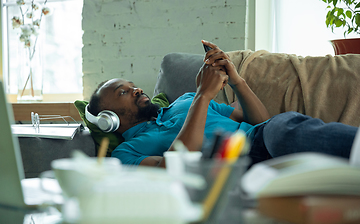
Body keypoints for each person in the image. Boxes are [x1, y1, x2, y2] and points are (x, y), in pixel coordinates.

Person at [86, 40, 358, 168]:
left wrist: (238, 82)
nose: (136, 89)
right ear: (109, 118)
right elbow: (177, 167)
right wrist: (203, 97)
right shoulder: (125, 154)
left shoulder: (185, 102)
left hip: (265, 139)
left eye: (132, 85)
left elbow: (260, 121)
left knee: (279, 129)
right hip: (231, 173)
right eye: (124, 92)